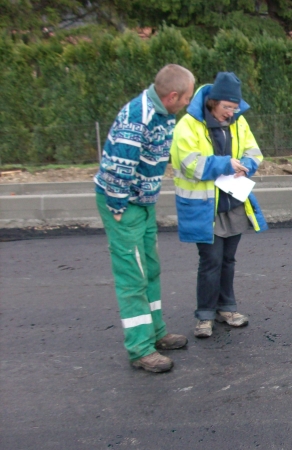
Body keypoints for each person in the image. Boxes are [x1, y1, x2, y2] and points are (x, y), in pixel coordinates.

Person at [95, 64, 195, 373]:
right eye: (187, 98)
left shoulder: (164, 114)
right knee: (132, 275)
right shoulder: (138, 119)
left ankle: (155, 332)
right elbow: (117, 169)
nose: (189, 103)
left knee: (149, 267)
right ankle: (140, 348)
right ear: (173, 96)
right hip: (124, 205)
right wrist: (117, 207)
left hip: (142, 202)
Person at [170, 72, 267, 339]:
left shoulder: (238, 122)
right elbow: (188, 163)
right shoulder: (187, 125)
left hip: (232, 202)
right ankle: (204, 315)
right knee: (210, 260)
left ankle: (227, 308)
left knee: (228, 259)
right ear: (213, 102)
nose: (231, 113)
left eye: (235, 108)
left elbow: (253, 151)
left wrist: (247, 165)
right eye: (227, 107)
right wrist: (223, 164)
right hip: (204, 207)